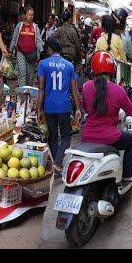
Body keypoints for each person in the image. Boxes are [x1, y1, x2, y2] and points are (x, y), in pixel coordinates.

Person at [81, 51, 132, 182]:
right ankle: (127, 175)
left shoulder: (86, 86)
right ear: (112, 70)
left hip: (86, 135)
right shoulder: (118, 90)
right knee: (131, 140)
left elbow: (86, 108)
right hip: (109, 137)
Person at [36, 36, 81, 176]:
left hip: (49, 107)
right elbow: (74, 89)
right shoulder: (69, 65)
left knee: (53, 136)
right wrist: (78, 108)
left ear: (49, 49)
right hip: (64, 106)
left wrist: (39, 109)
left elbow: (41, 89)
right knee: (66, 136)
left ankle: (56, 164)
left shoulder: (43, 64)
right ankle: (57, 162)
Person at [9, 6, 44, 87]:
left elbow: (39, 41)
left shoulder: (35, 27)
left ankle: (28, 93)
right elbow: (14, 38)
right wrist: (10, 50)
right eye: (29, 15)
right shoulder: (19, 26)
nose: (30, 17)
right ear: (24, 15)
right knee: (22, 73)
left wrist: (40, 54)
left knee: (30, 75)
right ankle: (22, 93)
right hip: (20, 53)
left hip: (32, 55)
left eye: (32, 15)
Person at [53, 9, 83, 74]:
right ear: (69, 19)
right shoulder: (73, 30)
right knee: (79, 62)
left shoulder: (59, 29)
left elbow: (52, 38)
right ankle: (75, 77)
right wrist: (79, 52)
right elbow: (77, 44)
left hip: (62, 52)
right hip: (72, 53)